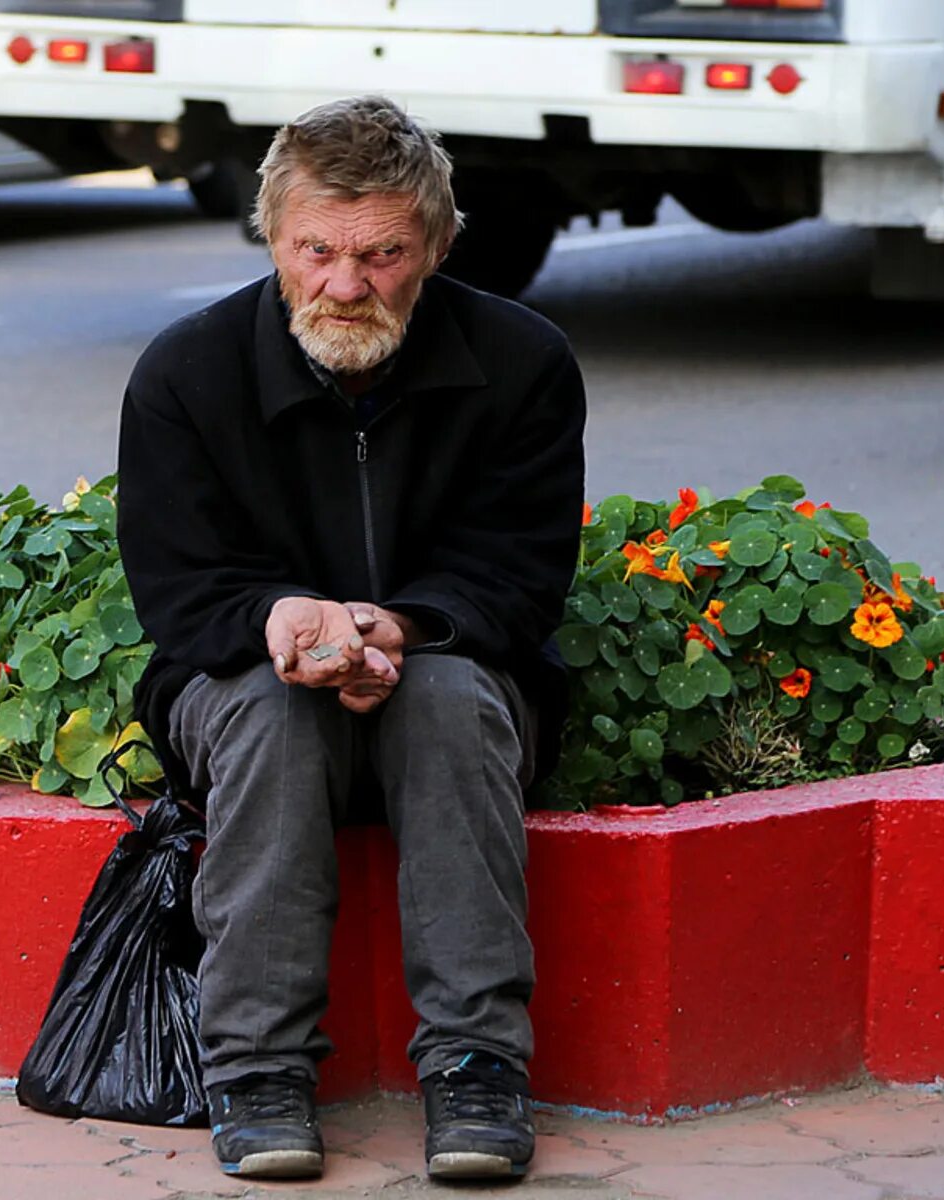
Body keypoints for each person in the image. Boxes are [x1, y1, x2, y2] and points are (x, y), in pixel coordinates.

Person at [116, 94, 586, 1182]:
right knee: (276, 714)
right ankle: (256, 1071)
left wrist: (395, 626)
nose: (343, 284)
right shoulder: (187, 371)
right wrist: (279, 618)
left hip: (446, 663)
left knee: (449, 700)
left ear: (437, 245)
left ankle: (476, 1067)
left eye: (382, 255)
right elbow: (180, 590)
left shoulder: (522, 361)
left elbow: (520, 579)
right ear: (271, 238)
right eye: (315, 251)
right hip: (243, 669)